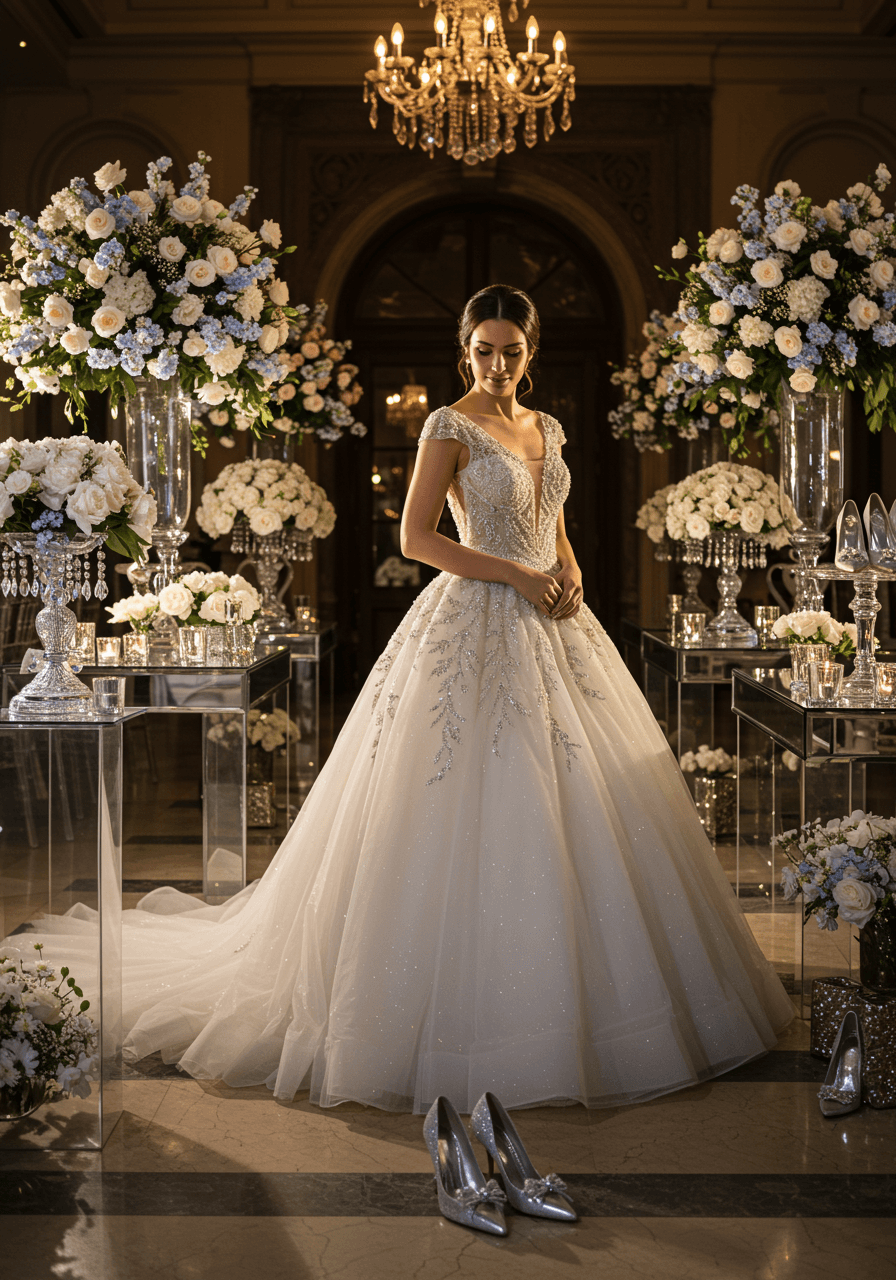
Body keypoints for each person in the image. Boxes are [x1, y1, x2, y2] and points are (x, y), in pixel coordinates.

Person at [9, 284, 793, 1115]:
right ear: (466, 352)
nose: (498, 363)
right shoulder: (446, 426)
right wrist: (520, 575)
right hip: (475, 614)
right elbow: (416, 539)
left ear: (532, 353)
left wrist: (570, 569)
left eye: (512, 351)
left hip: (556, 618)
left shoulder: (548, 427)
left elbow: (553, 516)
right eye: (485, 350)